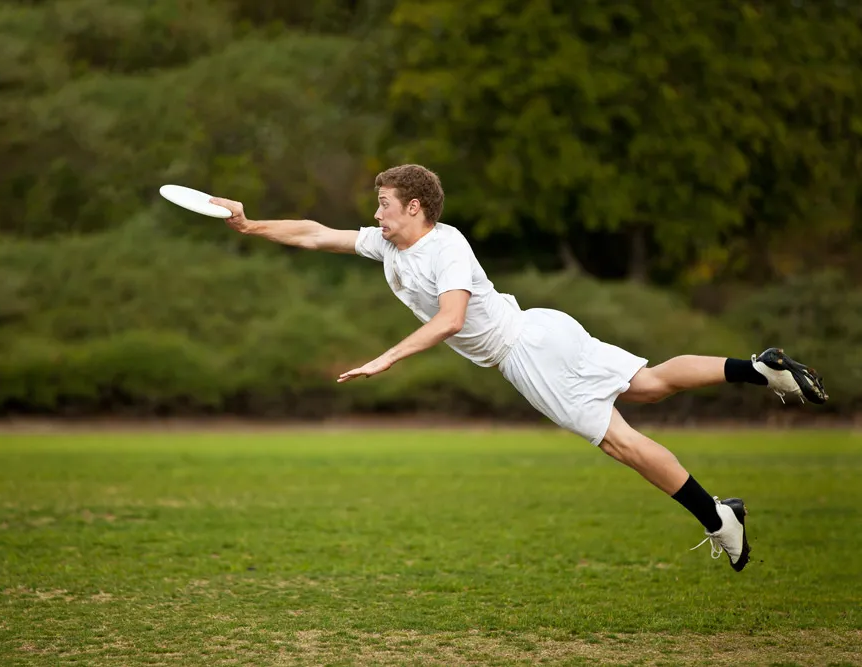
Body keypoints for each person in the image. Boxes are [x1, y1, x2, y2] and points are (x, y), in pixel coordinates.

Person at [209, 164, 827, 573]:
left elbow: (451, 318)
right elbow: (316, 235)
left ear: (416, 207)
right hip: (544, 326)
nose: (376, 216)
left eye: (385, 206)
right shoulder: (391, 246)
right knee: (650, 385)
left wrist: (389, 356)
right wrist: (250, 223)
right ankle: (758, 369)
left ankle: (720, 518)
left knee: (623, 444)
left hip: (526, 353)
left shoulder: (445, 246)